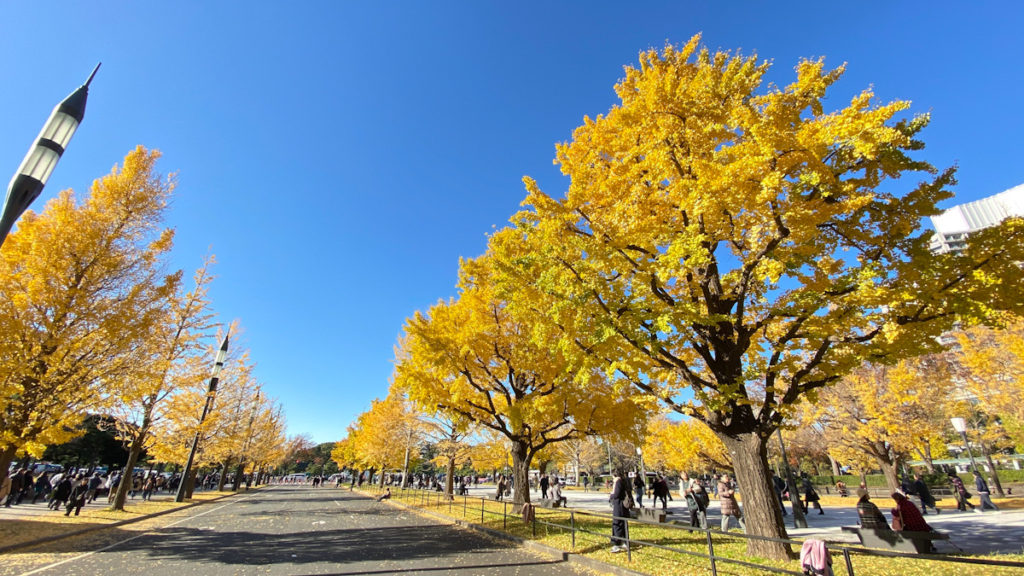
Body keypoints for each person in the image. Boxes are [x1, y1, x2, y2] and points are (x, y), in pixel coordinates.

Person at [609, 469, 630, 553]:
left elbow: (616, 494)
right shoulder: (624, 481)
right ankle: (625, 541)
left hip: (619, 506)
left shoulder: (618, 482)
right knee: (623, 524)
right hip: (623, 507)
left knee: (617, 524)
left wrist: (611, 495)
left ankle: (617, 544)